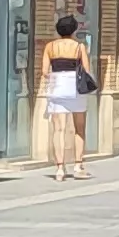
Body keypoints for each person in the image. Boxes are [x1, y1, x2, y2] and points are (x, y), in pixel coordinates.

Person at [39, 15, 94, 181]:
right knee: (79, 128)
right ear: (74, 29)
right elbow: (86, 69)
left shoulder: (50, 47)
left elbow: (44, 71)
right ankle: (78, 164)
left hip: (57, 86)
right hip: (75, 88)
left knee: (58, 129)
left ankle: (60, 168)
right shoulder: (79, 47)